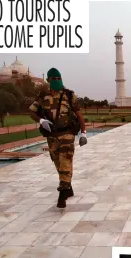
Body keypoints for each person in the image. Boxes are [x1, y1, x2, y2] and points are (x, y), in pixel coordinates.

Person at [29, 68, 87, 209]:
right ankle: (68, 188)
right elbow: (31, 111)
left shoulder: (69, 94)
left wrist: (83, 133)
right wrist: (41, 121)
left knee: (65, 160)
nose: (56, 81)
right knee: (58, 163)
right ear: (48, 80)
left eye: (58, 78)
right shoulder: (42, 95)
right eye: (53, 79)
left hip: (67, 134)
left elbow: (78, 114)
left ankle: (62, 193)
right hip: (52, 136)